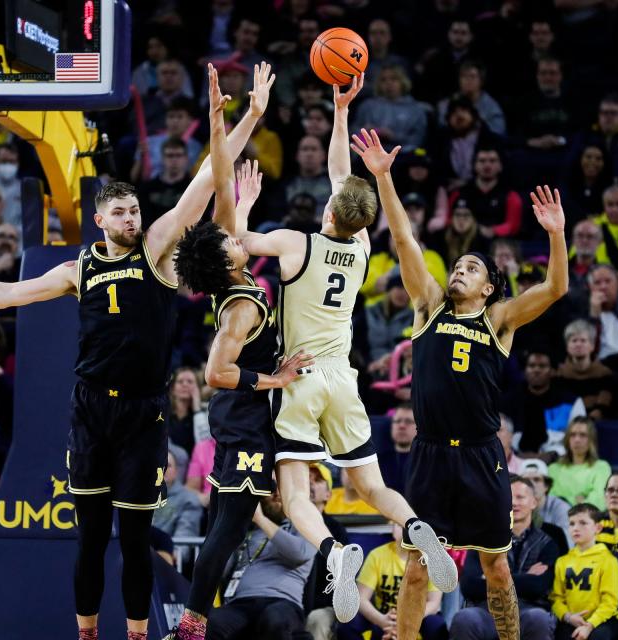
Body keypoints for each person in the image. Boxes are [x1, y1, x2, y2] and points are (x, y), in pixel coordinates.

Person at [0, 62, 276, 640]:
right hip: (91, 409)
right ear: (98, 221)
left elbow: (200, 185)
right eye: (119, 212)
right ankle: (87, 633)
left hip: (143, 413)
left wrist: (248, 117)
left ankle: (140, 635)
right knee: (89, 537)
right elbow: (7, 291)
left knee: (136, 540)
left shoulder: (159, 253)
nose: (131, 217)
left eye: (135, 211)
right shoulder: (80, 268)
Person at [236, 77, 457, 628]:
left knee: (293, 495)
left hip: (299, 376)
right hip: (344, 378)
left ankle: (334, 554)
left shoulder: (294, 242)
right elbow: (345, 180)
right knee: (373, 485)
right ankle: (415, 529)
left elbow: (238, 243)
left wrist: (243, 204)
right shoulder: (360, 249)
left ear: (331, 212)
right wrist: (341, 112)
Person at [350, 128, 569, 640]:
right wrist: (383, 179)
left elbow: (556, 287)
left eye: (470, 268)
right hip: (428, 454)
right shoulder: (427, 306)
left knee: (495, 566)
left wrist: (555, 234)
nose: (459, 271)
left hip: (480, 455)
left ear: (489, 287)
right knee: (418, 567)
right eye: (456, 266)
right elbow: (405, 239)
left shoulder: (500, 320)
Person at [166, 66, 311, 639]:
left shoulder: (234, 273)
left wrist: (234, 113)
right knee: (226, 525)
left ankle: (196, 618)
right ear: (226, 261)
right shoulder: (241, 307)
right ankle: (195, 622)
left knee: (226, 521)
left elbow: (220, 180)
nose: (236, 234)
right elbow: (216, 373)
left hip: (248, 417)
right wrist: (274, 381)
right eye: (231, 239)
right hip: (243, 415)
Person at [450, 476, 559, 640]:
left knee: (539, 618)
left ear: (534, 503)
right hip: (485, 611)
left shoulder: (547, 544)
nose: (514, 503)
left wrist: (490, 578)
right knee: (465, 618)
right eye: (509, 497)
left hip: (527, 611)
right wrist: (526, 578)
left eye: (520, 497)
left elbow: (539, 586)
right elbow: (470, 586)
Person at [204, 490, 318, 640]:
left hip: (282, 602)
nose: (277, 493)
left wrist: (261, 520)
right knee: (210, 624)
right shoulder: (247, 531)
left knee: (274, 620)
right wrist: (227, 524)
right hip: (241, 604)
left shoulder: (304, 524)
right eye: (271, 489)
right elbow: (219, 571)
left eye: (281, 488)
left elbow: (300, 553)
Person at [339, 524, 447, 640]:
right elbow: (361, 598)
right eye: (399, 525)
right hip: (384, 616)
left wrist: (409, 619)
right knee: (348, 623)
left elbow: (434, 603)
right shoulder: (377, 555)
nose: (405, 530)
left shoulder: (431, 559)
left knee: (436, 626)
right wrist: (382, 620)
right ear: (393, 529)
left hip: (418, 616)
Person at [551, 503, 618, 640]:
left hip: (601, 621)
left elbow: (610, 602)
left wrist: (589, 625)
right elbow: (556, 598)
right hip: (571, 619)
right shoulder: (562, 561)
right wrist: (568, 616)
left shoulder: (608, 560)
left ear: (598, 528)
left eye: (583, 523)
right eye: (571, 524)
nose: (576, 528)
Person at [548, 417, 612, 511]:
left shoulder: (601, 467)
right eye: (573, 435)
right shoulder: (553, 469)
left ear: (591, 439)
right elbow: (551, 501)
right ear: (567, 439)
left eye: (583, 435)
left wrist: (566, 500)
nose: (577, 440)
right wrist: (579, 500)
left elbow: (599, 503)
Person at [151, 451, 202, 539]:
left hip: (168, 551)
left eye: (168, 465)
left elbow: (184, 541)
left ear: (176, 471)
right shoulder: (137, 498)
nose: (163, 469)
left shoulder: (189, 500)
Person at [378, 404, 416, 496]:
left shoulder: (427, 461)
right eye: (397, 421)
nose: (402, 426)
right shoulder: (376, 461)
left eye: (408, 421)